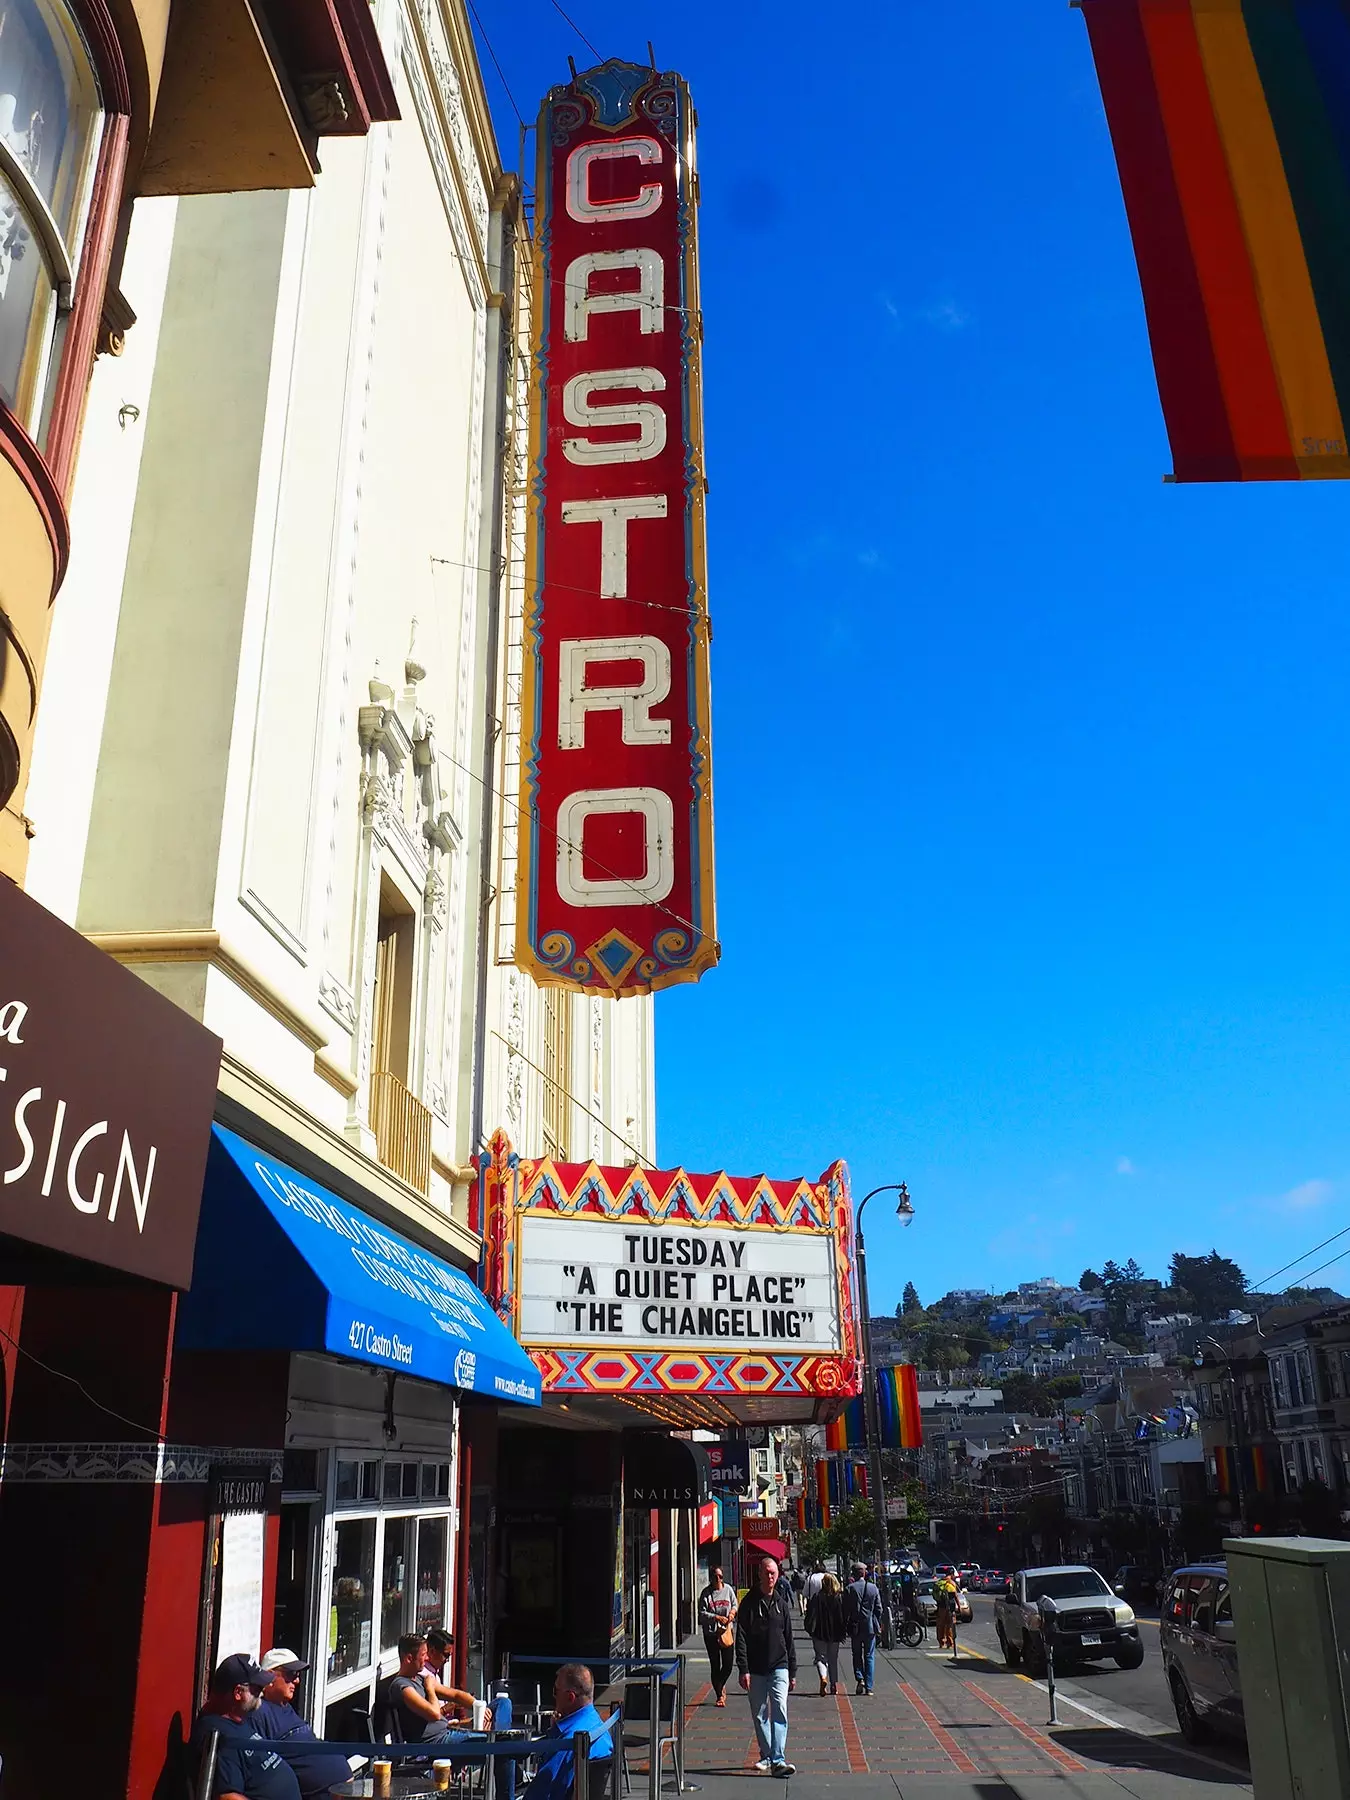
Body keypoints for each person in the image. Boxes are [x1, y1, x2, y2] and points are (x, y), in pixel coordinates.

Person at [191, 1654, 301, 1800]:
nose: (261, 1693)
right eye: (256, 1689)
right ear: (238, 1693)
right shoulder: (218, 1734)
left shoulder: (236, 1716)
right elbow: (228, 1797)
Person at [254, 1650, 354, 1800]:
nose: (297, 1681)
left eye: (298, 1675)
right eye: (291, 1674)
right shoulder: (259, 1711)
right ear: (270, 1676)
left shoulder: (285, 1706)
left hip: (341, 1790)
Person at [734, 1555, 797, 1777]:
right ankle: (767, 1754)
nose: (770, 1576)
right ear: (759, 1574)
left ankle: (778, 1759)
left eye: (773, 1573)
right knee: (760, 1714)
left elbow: (788, 1637)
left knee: (780, 1709)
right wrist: (743, 1668)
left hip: (779, 1665)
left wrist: (792, 1669)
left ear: (777, 1574)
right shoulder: (749, 1603)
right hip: (756, 1667)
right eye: (766, 1572)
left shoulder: (781, 1603)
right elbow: (740, 1636)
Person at [520, 1663, 612, 1800]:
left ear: (570, 1698)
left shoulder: (568, 1742)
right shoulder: (599, 1727)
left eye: (556, 1691)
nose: (553, 1696)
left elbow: (542, 1792)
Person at [389, 1632, 478, 1743]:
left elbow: (456, 1695)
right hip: (436, 1742)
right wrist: (430, 1689)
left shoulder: (420, 1679)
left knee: (501, 1703)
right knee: (492, 1742)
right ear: (409, 1658)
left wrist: (480, 1708)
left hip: (448, 1732)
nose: (427, 1658)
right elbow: (434, 1714)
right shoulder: (402, 1686)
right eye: (423, 1655)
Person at [698, 1564, 739, 1706]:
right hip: (711, 1634)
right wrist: (716, 1617)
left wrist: (732, 1613)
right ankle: (719, 1696)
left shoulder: (728, 1590)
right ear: (711, 1578)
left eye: (721, 1576)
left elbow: (735, 1604)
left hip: (726, 1632)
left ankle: (719, 1684)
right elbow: (702, 1614)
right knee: (715, 1664)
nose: (719, 1579)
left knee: (728, 1664)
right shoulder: (706, 1593)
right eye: (716, 1577)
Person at [804, 1571, 847, 1695]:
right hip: (834, 1633)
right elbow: (842, 1617)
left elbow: (810, 1614)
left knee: (821, 1658)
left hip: (819, 1632)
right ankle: (834, 1686)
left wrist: (809, 1628)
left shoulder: (817, 1597)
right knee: (833, 1659)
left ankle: (823, 1678)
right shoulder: (839, 1597)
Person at [844, 1560, 883, 1696]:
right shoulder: (873, 1588)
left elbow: (846, 1609)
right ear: (865, 1573)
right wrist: (876, 1621)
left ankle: (859, 1678)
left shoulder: (850, 1589)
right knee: (869, 1656)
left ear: (853, 1574)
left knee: (856, 1654)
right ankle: (869, 1686)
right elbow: (879, 1608)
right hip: (870, 1626)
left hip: (855, 1626)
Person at [933, 1572, 957, 1652]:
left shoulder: (939, 1583)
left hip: (941, 1607)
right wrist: (959, 1606)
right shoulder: (951, 1583)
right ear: (952, 1575)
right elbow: (955, 1596)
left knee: (940, 1625)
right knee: (949, 1625)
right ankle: (950, 1643)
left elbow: (935, 1596)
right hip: (949, 1607)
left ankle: (941, 1642)